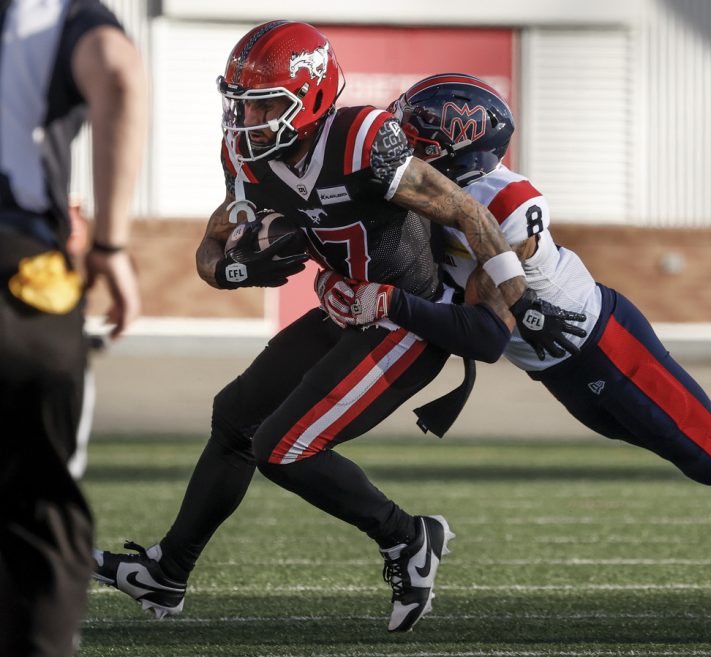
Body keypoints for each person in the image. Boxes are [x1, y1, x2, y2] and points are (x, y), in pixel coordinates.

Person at [92, 21, 584, 634]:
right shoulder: (244, 154)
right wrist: (237, 266)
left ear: (313, 97)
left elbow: (466, 210)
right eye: (242, 103)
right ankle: (167, 573)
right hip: (347, 308)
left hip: (406, 320)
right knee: (235, 417)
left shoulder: (362, 139)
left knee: (283, 447)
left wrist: (517, 298)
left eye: (267, 103)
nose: (249, 119)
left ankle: (409, 538)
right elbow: (210, 252)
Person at [318, 73, 711, 496]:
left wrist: (389, 303)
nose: (401, 148)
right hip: (560, 364)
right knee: (697, 429)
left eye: (417, 137)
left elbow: (490, 326)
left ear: (460, 151)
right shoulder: (436, 193)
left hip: (597, 342)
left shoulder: (502, 201)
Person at [0, 0, 146, 654]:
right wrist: (110, 247)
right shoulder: (48, 12)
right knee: (40, 516)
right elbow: (118, 73)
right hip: (18, 274)